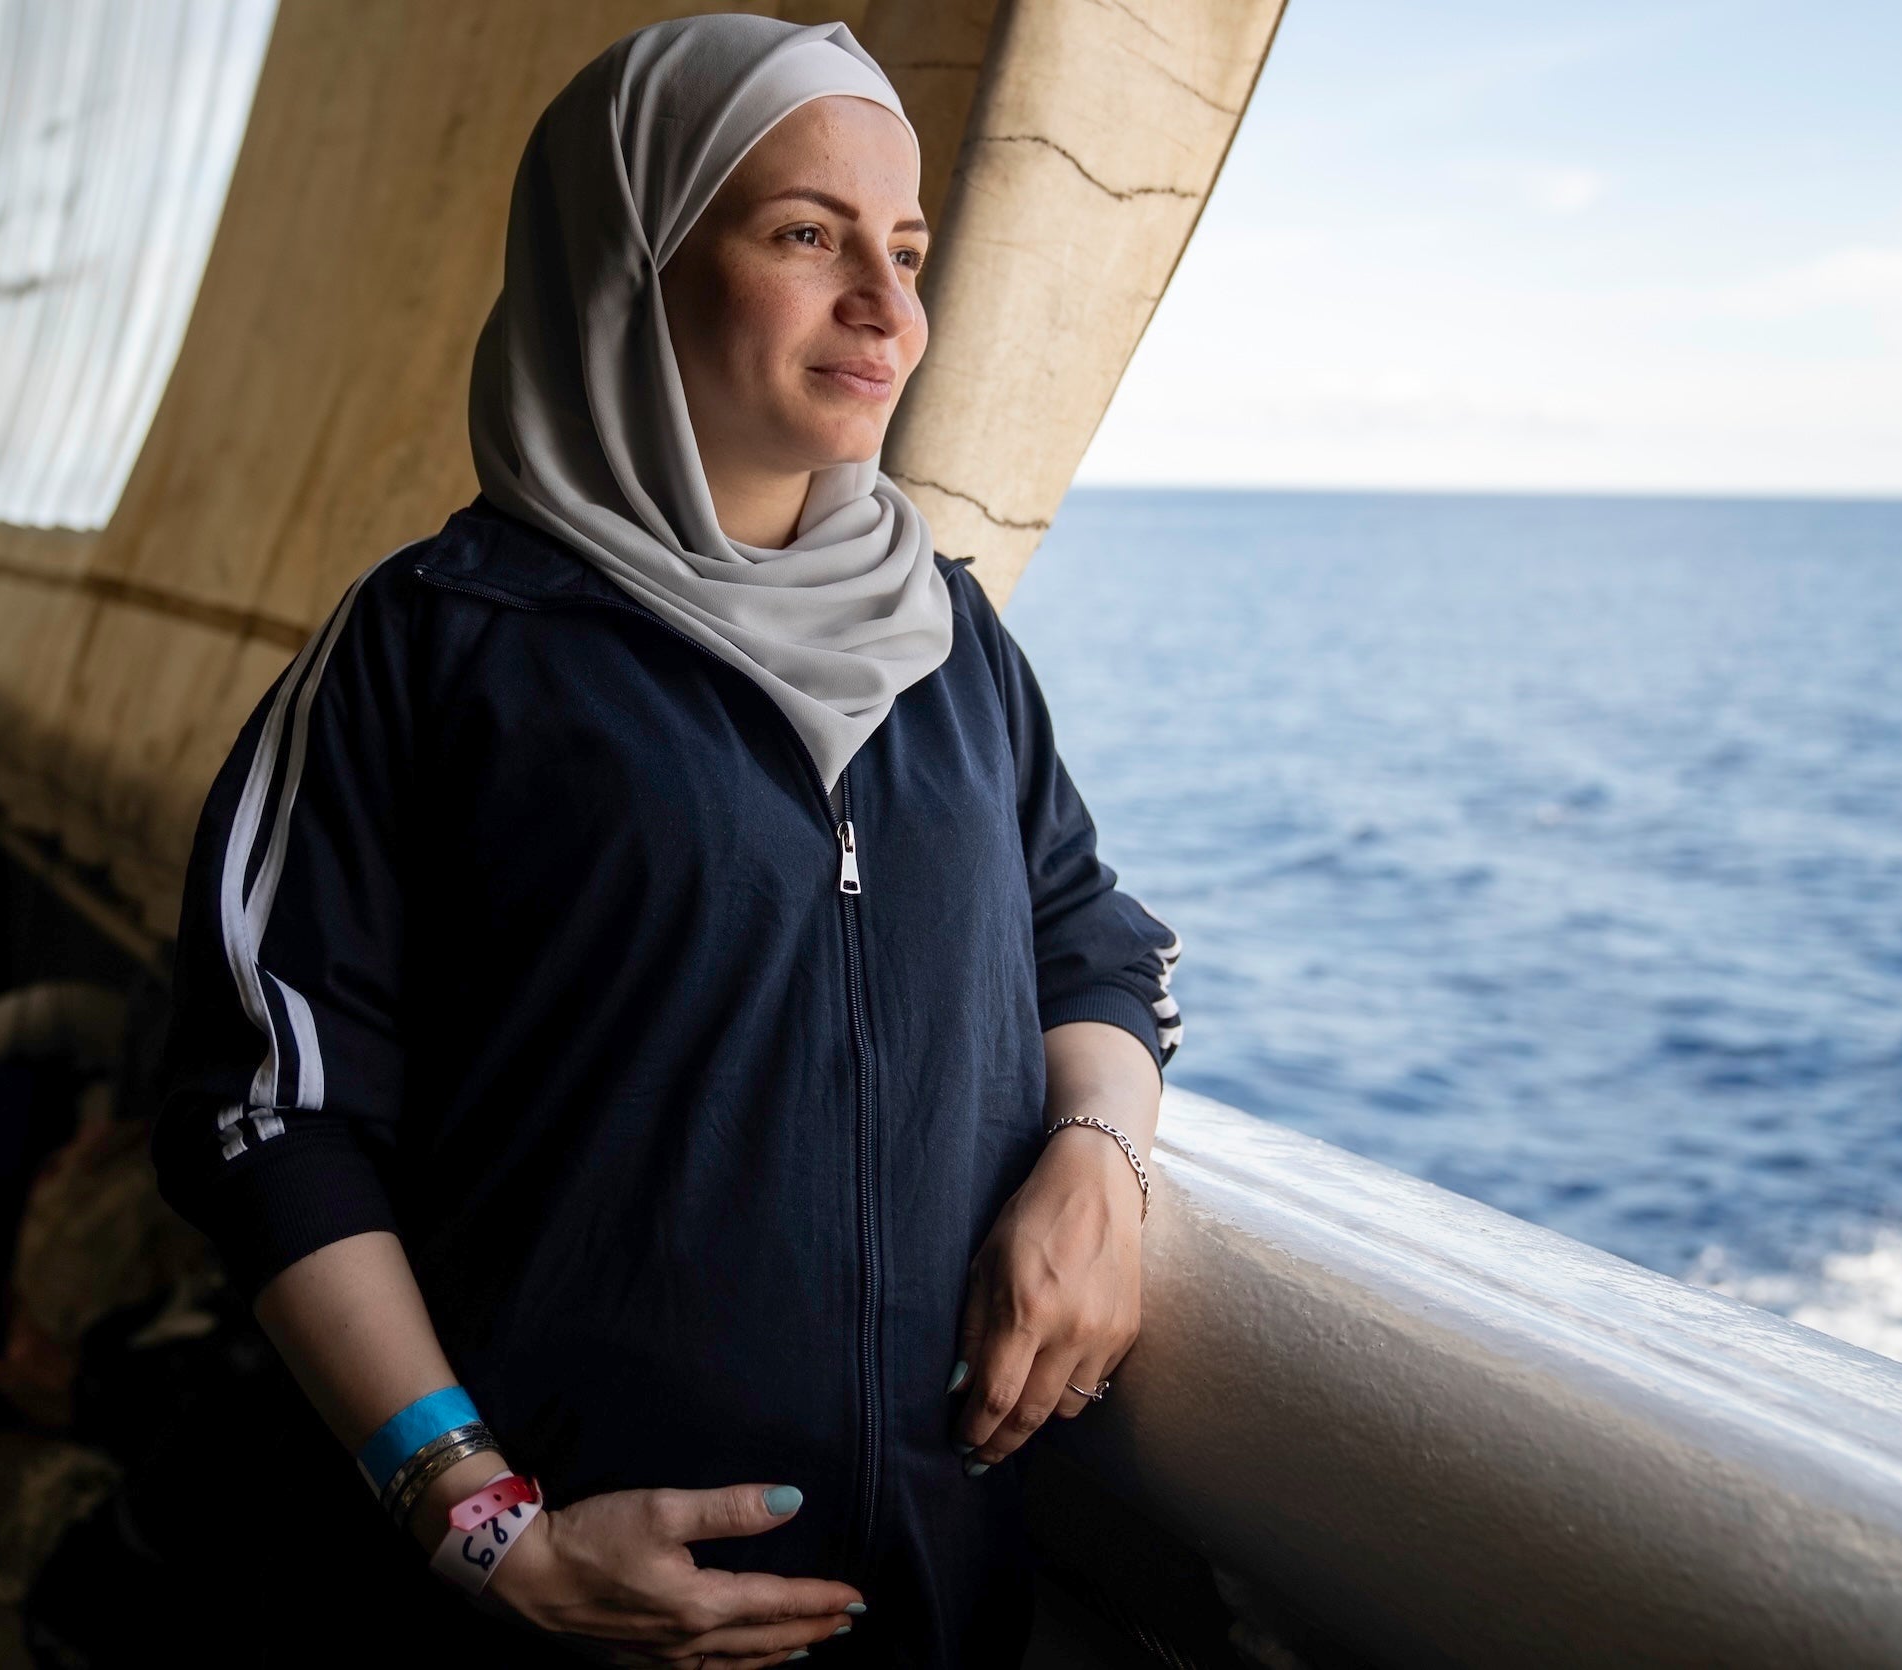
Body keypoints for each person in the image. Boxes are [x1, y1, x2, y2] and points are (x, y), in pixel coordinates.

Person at [152, 16, 1182, 1668]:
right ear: (628, 259)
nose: (889, 307)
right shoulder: (438, 646)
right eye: (804, 234)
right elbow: (264, 1107)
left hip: (932, 1598)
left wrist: (1099, 1164)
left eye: (907, 249)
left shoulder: (953, 643)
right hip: (571, 1615)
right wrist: (483, 1523)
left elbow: (1090, 937)